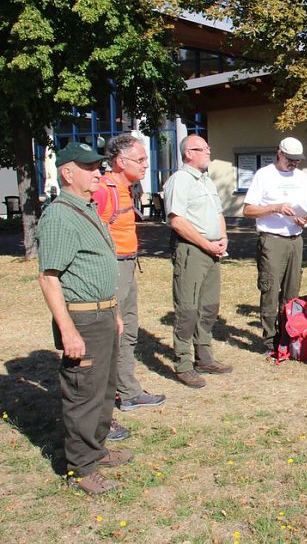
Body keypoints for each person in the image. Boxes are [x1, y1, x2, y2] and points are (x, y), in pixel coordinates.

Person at [36, 142, 133, 495]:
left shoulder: (87, 208)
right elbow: (49, 278)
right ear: (67, 173)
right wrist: (68, 331)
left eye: (98, 167)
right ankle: (80, 468)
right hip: (83, 319)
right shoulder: (60, 216)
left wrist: (115, 311)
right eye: (89, 168)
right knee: (83, 395)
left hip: (103, 313)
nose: (98, 173)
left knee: (103, 390)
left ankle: (96, 450)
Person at [92, 134, 167, 416]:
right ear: (121, 162)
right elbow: (94, 235)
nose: (147, 164)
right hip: (113, 268)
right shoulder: (104, 190)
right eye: (141, 159)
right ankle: (111, 396)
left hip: (127, 265)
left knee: (129, 330)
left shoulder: (125, 189)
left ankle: (128, 391)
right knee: (116, 330)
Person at [163, 135, 233, 388]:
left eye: (208, 147)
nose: (208, 151)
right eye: (202, 149)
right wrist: (206, 244)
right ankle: (183, 363)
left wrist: (223, 238)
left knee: (209, 306)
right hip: (192, 251)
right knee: (188, 309)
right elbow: (177, 221)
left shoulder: (206, 181)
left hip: (213, 251)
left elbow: (218, 213)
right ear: (188, 153)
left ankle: (204, 357)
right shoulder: (180, 180)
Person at [243, 137, 307, 355]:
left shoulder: (301, 177)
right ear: (280, 153)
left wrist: (306, 219)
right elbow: (248, 210)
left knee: (292, 293)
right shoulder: (264, 175)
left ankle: (288, 338)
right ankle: (269, 341)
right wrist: (275, 208)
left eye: (297, 160)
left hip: (295, 239)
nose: (294, 163)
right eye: (290, 159)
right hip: (272, 240)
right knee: (270, 290)